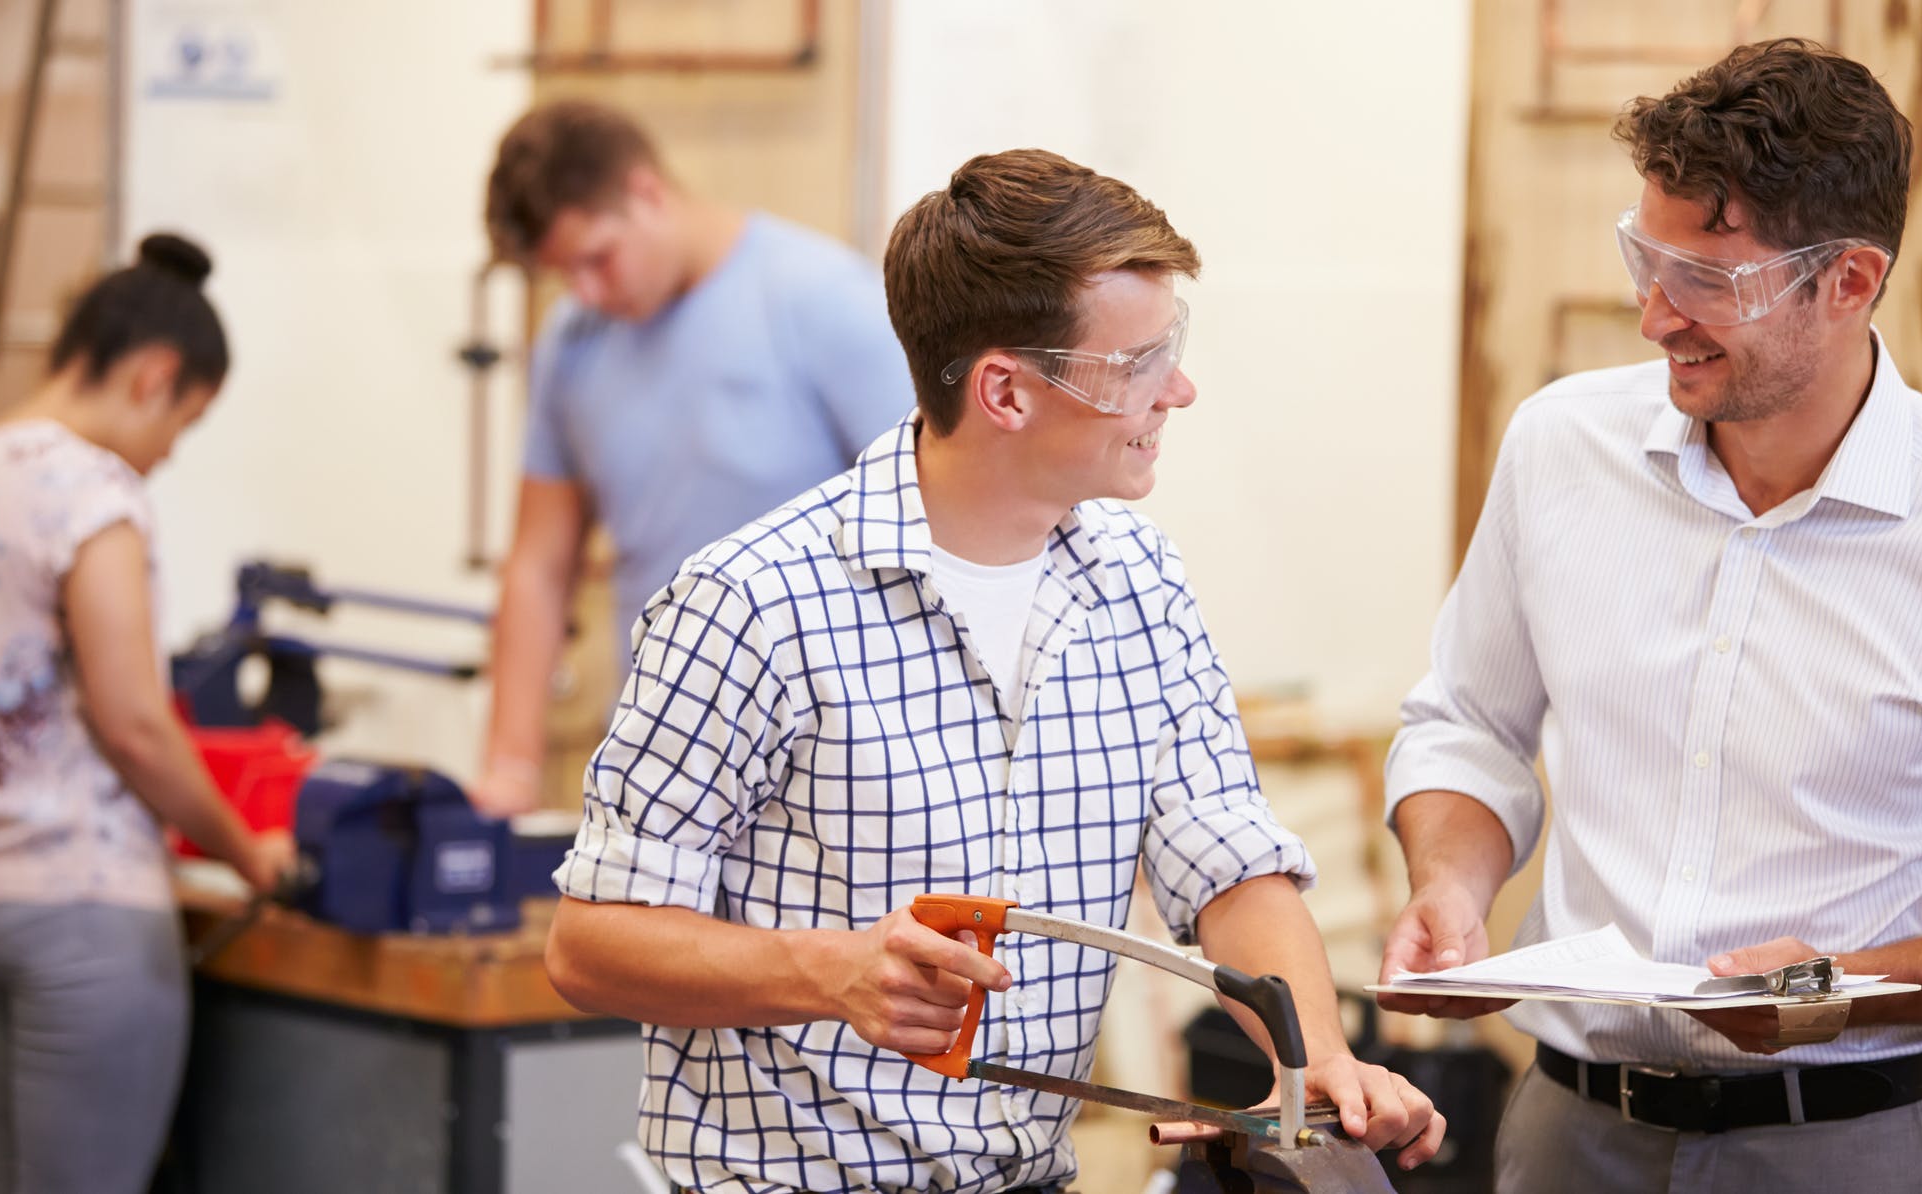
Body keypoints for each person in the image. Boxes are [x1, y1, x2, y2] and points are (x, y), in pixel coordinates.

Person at [543, 148, 1445, 1193]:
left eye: (1174, 348)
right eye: (1136, 365)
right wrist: (831, 975)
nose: (1180, 390)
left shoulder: (1137, 580)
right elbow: (590, 944)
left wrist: (1315, 1055)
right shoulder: (752, 602)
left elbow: (1228, 861)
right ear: (1005, 392)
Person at [1375, 37, 1922, 1194]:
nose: (1657, 316)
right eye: (1644, 261)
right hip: (1568, 1128)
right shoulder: (1561, 448)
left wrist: (1842, 984)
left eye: (1710, 279)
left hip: (1845, 1143)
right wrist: (1451, 888)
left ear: (1850, 280)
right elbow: (1467, 723)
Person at [473, 99, 915, 816]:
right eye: (563, 274)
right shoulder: (572, 341)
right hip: (661, 753)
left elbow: (937, 523)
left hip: (830, 758)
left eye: (596, 259)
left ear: (646, 192)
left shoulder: (825, 300)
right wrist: (510, 769)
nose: (583, 292)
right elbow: (537, 564)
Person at [0, 234, 296, 1194]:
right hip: (86, 913)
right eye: (183, 426)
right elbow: (134, 723)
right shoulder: (94, 489)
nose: (164, 458)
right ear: (155, 377)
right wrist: (249, 852)